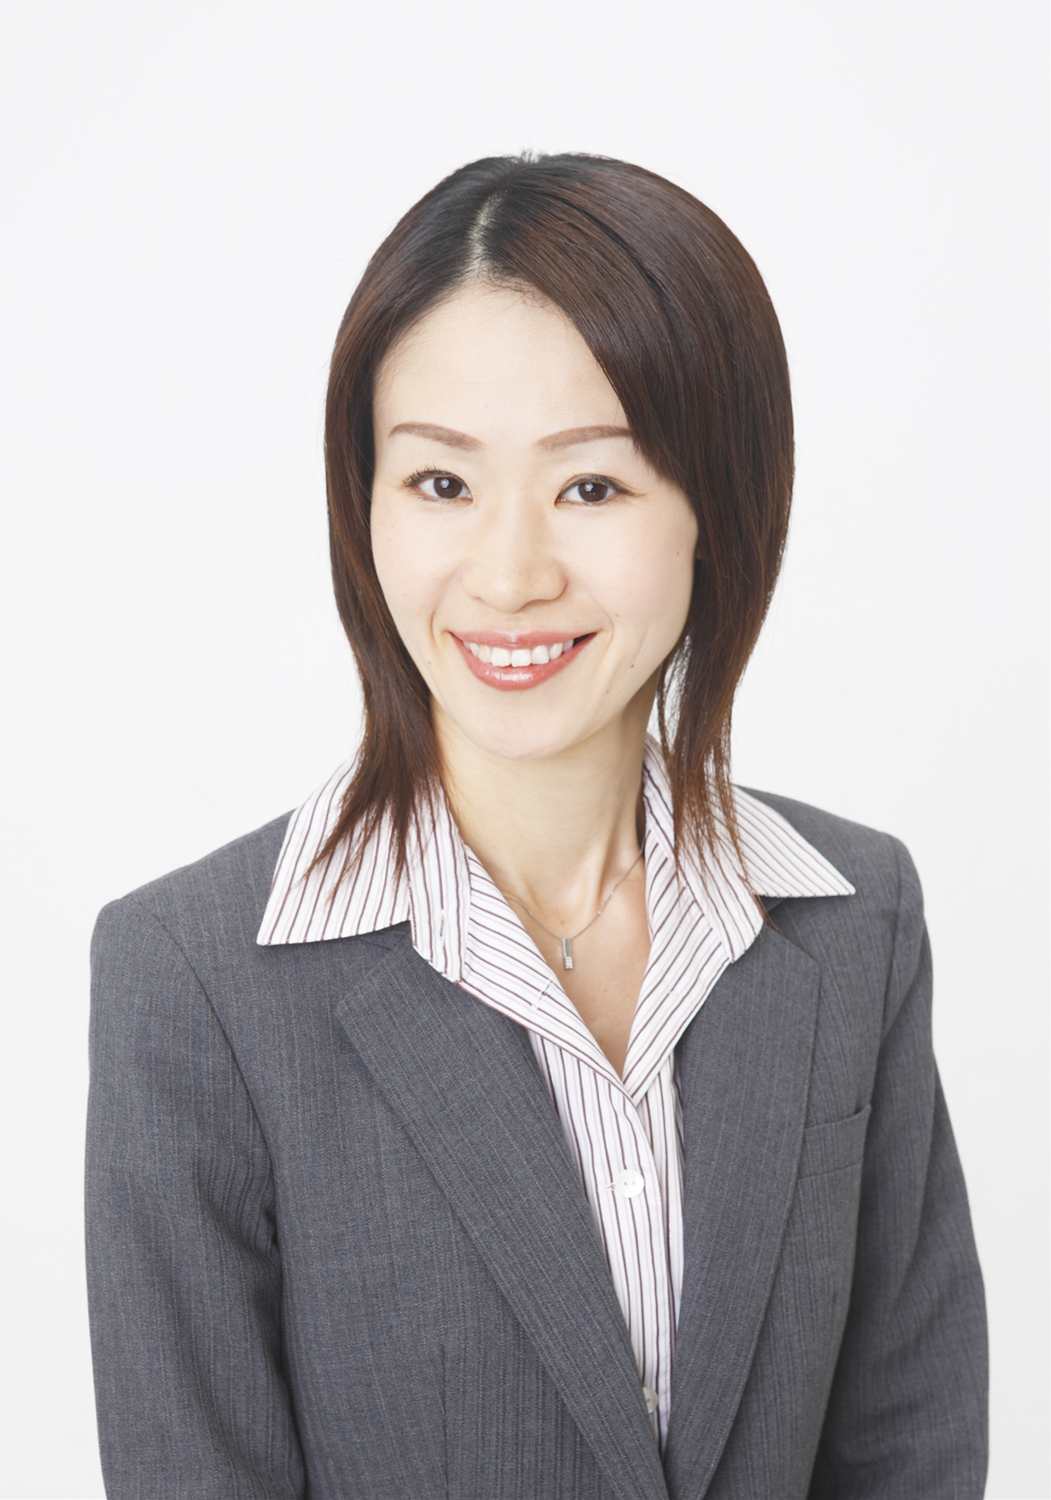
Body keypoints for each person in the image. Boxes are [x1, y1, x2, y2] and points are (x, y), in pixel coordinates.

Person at [84, 150, 989, 1499]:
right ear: (364, 505)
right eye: (442, 485)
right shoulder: (194, 979)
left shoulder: (857, 920)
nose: (509, 577)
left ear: (717, 508)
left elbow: (911, 1443)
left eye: (592, 487)